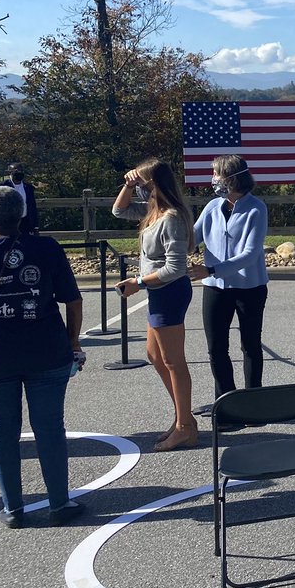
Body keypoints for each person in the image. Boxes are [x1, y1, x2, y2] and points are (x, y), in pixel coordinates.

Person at [0, 186, 84, 527]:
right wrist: (72, 341)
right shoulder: (47, 247)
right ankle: (59, 504)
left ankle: (13, 508)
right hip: (47, 350)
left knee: (1, 429)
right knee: (49, 428)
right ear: (20, 215)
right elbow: (72, 300)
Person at [112, 158, 197, 452]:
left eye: (142, 184)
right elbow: (118, 210)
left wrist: (139, 282)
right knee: (155, 356)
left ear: (156, 185)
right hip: (158, 291)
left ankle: (185, 426)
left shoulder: (171, 217)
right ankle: (182, 418)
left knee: (173, 361)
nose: (139, 190)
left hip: (169, 291)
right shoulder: (152, 212)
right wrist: (128, 183)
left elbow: (176, 268)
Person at [186, 155, 269, 409]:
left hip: (249, 288)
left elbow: (249, 254)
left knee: (250, 345)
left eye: (217, 174)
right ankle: (227, 402)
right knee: (216, 348)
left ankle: (254, 402)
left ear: (233, 178)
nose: (213, 180)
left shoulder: (256, 208)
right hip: (215, 288)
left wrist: (211, 269)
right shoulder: (212, 207)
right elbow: (191, 240)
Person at [0, 162, 39, 234]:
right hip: (9, 223)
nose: (19, 173)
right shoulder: (1, 187)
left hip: (25, 222)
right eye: (16, 171)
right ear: (10, 172)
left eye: (21, 171)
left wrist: (35, 226)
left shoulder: (28, 188)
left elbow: (32, 207)